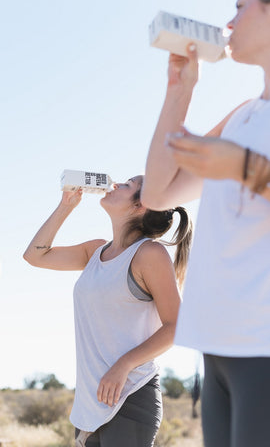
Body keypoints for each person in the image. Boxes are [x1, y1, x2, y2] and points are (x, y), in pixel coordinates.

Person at [142, 0, 270, 446]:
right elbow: (158, 193)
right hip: (216, 346)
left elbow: (247, 170)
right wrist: (180, 91)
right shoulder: (242, 116)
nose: (229, 21)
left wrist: (246, 167)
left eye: (240, 6)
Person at [23, 174, 192, 447]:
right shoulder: (94, 252)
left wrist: (123, 365)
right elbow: (35, 256)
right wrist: (66, 205)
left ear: (140, 207)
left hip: (130, 397)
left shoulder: (149, 254)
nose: (115, 184)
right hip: (89, 405)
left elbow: (176, 325)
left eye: (127, 185)